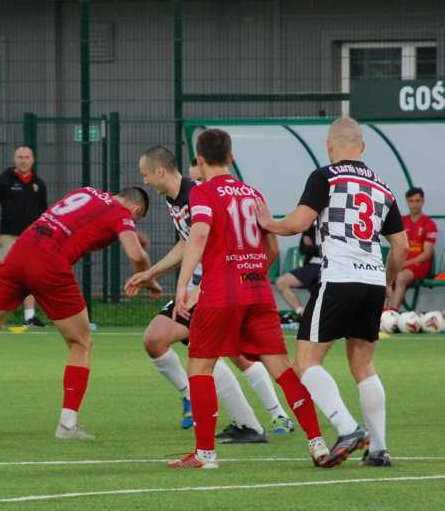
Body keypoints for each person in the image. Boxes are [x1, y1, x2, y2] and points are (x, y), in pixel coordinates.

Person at [0, 186, 158, 439]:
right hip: (49, 262)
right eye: (136, 219)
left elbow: (84, 222)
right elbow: (136, 255)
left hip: (20, 251)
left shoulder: (89, 192)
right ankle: (67, 425)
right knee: (81, 342)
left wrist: (132, 232)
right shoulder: (121, 213)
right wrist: (148, 279)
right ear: (136, 209)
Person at [167, 128, 327, 469]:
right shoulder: (252, 193)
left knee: (200, 366)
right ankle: (317, 443)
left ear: (199, 160)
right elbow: (270, 247)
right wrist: (251, 272)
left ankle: (205, 454)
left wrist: (184, 284)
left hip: (220, 292)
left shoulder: (202, 192)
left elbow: (199, 234)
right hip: (257, 292)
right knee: (282, 368)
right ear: (231, 157)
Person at [257, 117, 408, 468]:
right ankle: (379, 450)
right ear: (363, 147)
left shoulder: (325, 176)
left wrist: (269, 223)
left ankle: (347, 427)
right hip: (372, 280)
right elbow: (400, 246)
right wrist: (386, 282)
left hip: (339, 277)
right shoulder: (383, 188)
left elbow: (297, 224)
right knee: (363, 364)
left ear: (329, 146)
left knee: (306, 361)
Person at [125, 146, 294, 441]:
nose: (146, 181)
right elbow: (186, 243)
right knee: (160, 340)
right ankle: (248, 421)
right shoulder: (174, 200)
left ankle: (271, 417)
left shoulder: (198, 195)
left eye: (146, 174)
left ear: (160, 171)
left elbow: (228, 247)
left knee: (233, 354)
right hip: (200, 288)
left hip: (217, 288)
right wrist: (151, 273)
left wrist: (203, 288)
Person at [0, 146, 49, 327]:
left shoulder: (39, 183)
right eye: (20, 157)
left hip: (32, 238)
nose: (23, 160)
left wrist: (44, 236)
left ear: (33, 159)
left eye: (27, 157)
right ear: (15, 159)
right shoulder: (3, 180)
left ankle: (29, 317)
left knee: (31, 276)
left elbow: (44, 212)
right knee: (1, 274)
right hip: (8, 237)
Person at [388, 187, 437, 310]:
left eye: (417, 201)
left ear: (422, 201)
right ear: (406, 201)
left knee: (401, 277)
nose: (414, 204)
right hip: (402, 263)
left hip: (420, 265)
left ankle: (392, 313)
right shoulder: (401, 221)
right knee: (384, 277)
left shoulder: (429, 223)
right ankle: (382, 314)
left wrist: (405, 263)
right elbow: (395, 246)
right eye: (411, 201)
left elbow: (427, 253)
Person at [275, 224, 321, 318]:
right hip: (312, 266)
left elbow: (333, 250)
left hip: (330, 266)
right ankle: (301, 312)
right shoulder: (310, 226)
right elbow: (303, 249)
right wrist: (317, 249)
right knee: (282, 282)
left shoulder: (336, 224)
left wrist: (312, 248)